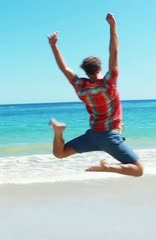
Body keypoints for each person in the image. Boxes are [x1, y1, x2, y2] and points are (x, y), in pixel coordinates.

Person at [47, 13, 144, 177]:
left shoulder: (81, 87)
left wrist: (54, 45)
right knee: (138, 171)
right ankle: (108, 167)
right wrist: (113, 26)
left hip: (93, 136)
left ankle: (58, 133)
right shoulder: (109, 84)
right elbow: (114, 52)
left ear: (85, 71)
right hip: (109, 136)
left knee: (60, 153)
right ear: (100, 68)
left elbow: (64, 68)